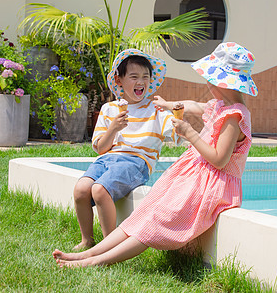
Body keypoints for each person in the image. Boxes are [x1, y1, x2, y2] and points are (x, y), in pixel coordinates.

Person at [53, 42, 258, 266]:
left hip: (209, 185)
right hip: (194, 177)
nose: (207, 82)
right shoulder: (220, 105)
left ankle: (95, 261)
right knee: (145, 212)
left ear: (223, 81)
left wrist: (189, 132)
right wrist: (169, 104)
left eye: (211, 77)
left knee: (155, 220)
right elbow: (191, 105)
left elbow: (219, 160)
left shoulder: (234, 116)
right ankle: (89, 253)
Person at [72, 49, 179, 250]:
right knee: (81, 190)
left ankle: (108, 247)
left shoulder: (155, 109)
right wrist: (113, 128)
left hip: (137, 162)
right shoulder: (109, 109)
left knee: (100, 190)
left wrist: (177, 116)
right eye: (134, 77)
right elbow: (101, 149)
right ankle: (87, 240)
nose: (141, 82)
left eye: (145, 77)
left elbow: (175, 134)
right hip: (108, 159)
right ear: (119, 80)